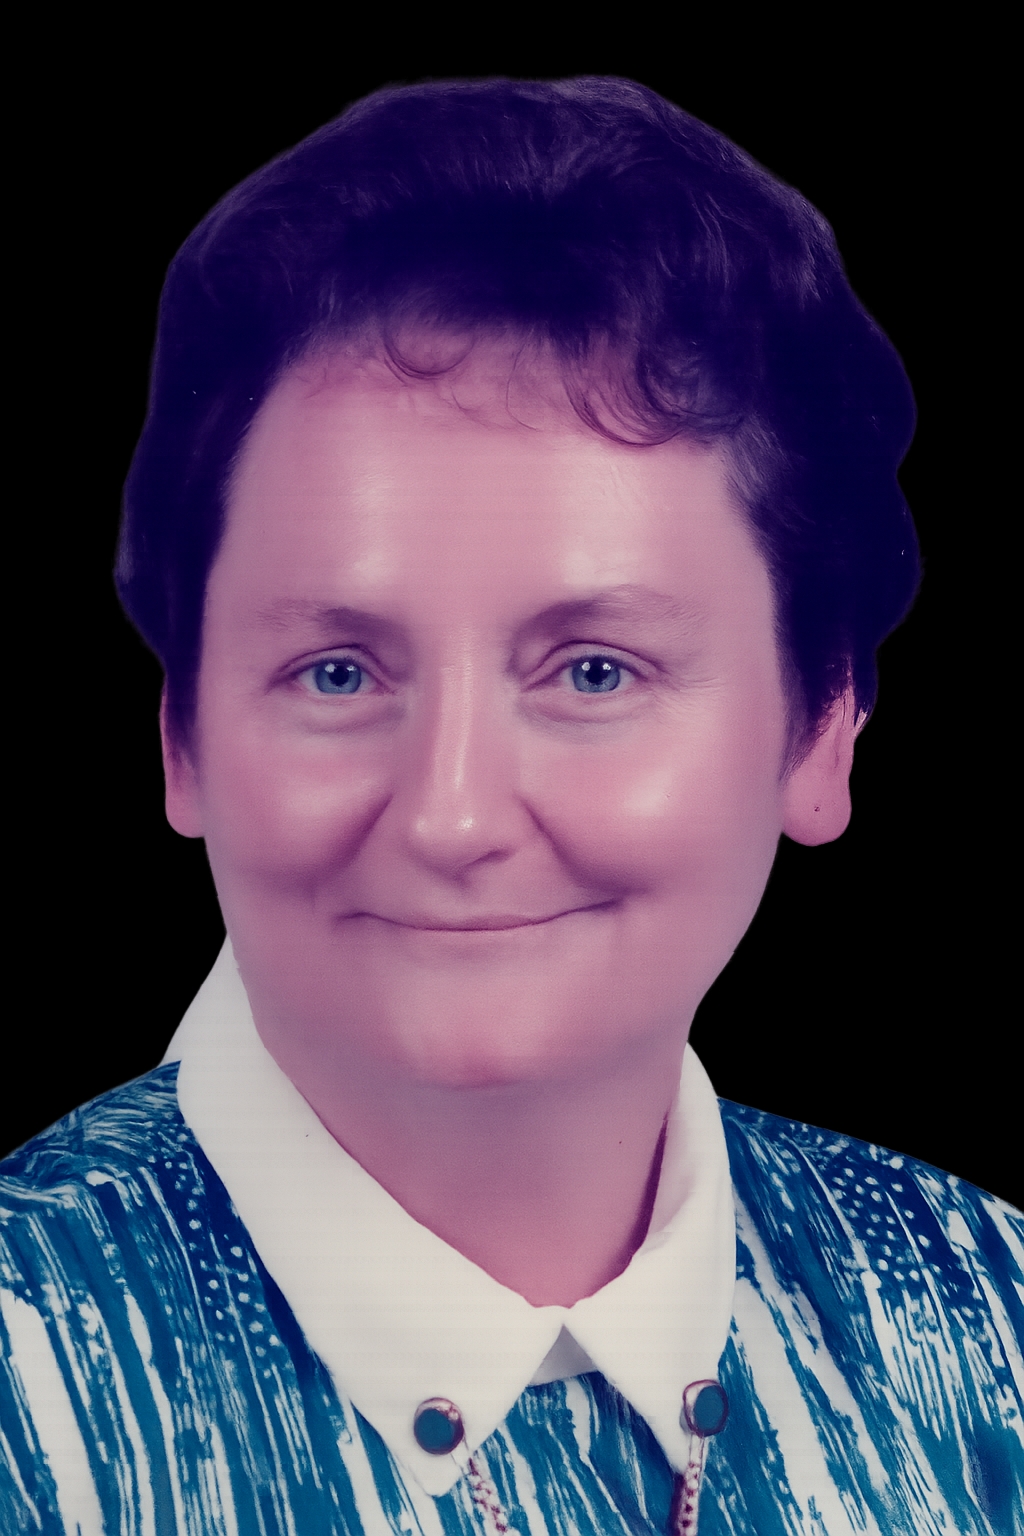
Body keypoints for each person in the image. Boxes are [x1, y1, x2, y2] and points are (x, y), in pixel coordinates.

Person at [1, 76, 1020, 1536]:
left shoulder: (989, 1310)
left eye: (594, 670)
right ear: (182, 738)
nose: (453, 815)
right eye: (338, 672)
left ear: (820, 728)